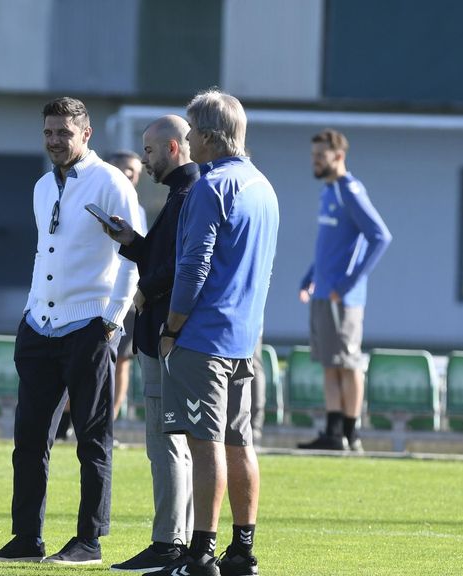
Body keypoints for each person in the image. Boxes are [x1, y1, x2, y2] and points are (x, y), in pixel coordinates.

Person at [0, 96, 142, 566]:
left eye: (63, 133)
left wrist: (111, 320)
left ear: (85, 134)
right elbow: (44, 254)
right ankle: (27, 539)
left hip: (89, 327)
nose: (54, 140)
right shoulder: (40, 186)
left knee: (92, 439)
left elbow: (135, 253)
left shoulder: (111, 182)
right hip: (39, 326)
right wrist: (30, 311)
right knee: (29, 439)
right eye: (48, 132)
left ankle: (89, 541)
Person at [147, 90, 279, 576]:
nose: (186, 138)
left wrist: (172, 326)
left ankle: (201, 553)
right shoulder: (263, 185)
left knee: (204, 447)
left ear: (204, 135)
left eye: (190, 130)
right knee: (239, 444)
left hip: (204, 339)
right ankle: (242, 551)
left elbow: (194, 266)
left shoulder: (210, 186)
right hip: (247, 339)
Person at [100, 115, 199, 572]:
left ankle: (168, 544)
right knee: (168, 439)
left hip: (165, 335)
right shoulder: (179, 195)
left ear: (174, 149)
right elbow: (164, 257)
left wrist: (145, 291)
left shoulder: (188, 194)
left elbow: (183, 265)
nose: (144, 158)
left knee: (165, 440)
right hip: (163, 333)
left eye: (151, 151)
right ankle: (175, 540)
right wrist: (132, 242)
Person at [297, 129, 392, 452]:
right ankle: (333, 433)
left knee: (348, 364)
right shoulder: (329, 191)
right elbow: (329, 246)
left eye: (320, 156)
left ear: (338, 156)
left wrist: (348, 283)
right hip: (323, 293)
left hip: (343, 298)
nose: (315, 162)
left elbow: (380, 237)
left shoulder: (350, 190)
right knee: (329, 363)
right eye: (313, 156)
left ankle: (351, 433)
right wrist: (310, 276)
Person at [107, 150, 144, 421]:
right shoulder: (100, 201)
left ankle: (110, 419)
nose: (131, 175)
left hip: (128, 295)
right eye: (125, 169)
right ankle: (69, 421)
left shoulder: (138, 208)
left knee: (122, 361)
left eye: (136, 172)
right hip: (99, 292)